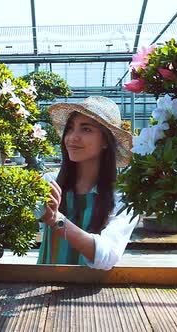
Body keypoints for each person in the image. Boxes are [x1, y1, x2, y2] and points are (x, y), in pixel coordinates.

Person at [37, 96, 136, 270]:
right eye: (70, 128)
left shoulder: (122, 196)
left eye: (86, 129)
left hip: (92, 295)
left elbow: (107, 256)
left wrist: (56, 220)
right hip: (41, 287)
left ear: (106, 140)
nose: (72, 137)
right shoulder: (49, 183)